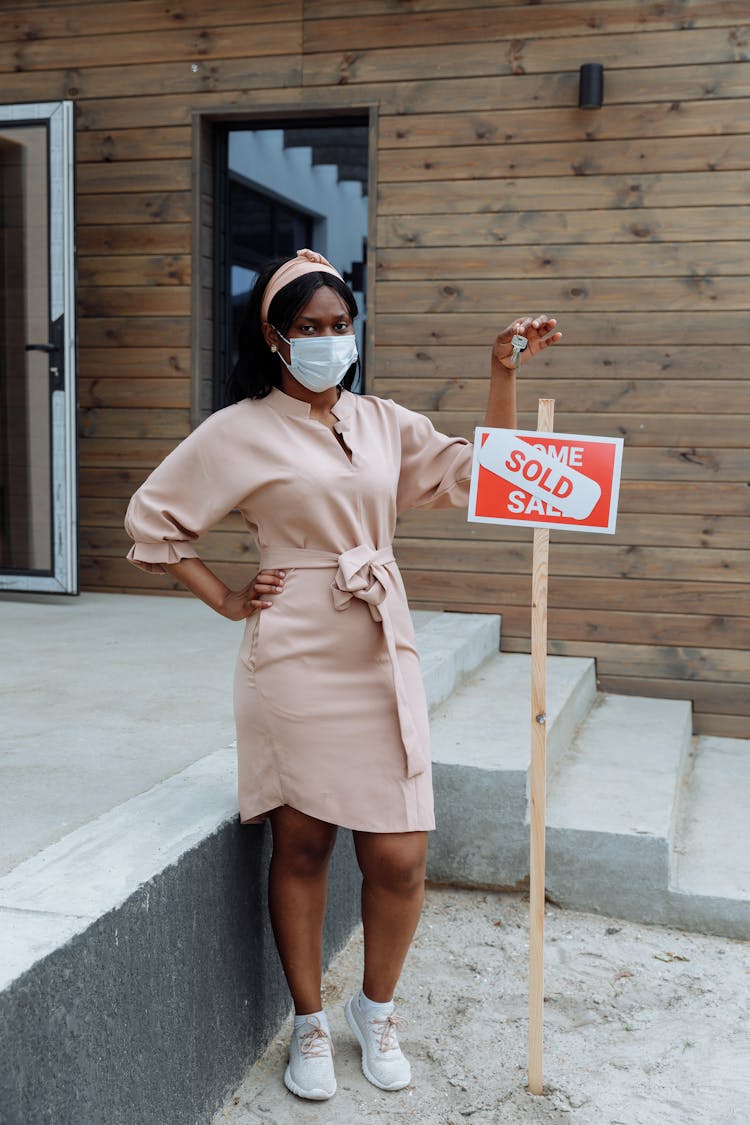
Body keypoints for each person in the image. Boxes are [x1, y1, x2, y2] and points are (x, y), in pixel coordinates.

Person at [124, 249, 561, 1102]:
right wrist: (222, 596)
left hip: (376, 636)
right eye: (310, 328)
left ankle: (376, 1007)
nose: (329, 341)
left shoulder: (382, 421)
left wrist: (498, 373)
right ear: (275, 337)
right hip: (292, 649)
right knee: (305, 841)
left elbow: (492, 479)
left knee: (399, 854)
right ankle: (310, 1024)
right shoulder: (238, 429)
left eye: (340, 325)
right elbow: (154, 518)